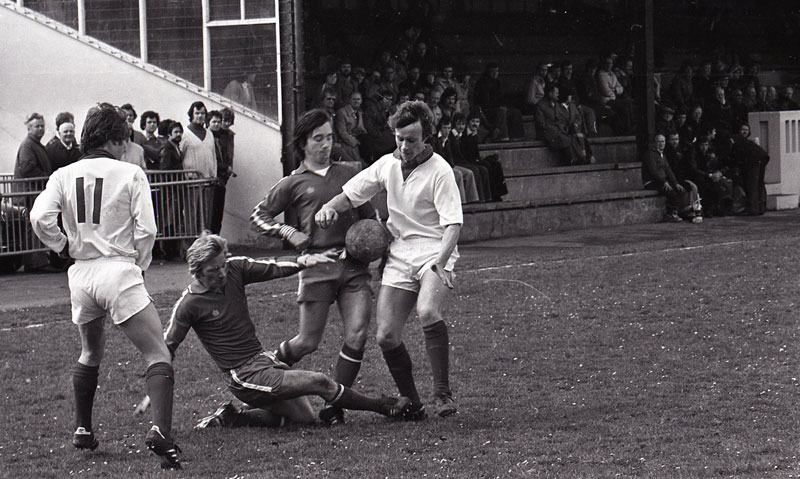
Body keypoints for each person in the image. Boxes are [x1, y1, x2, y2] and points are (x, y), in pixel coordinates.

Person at [29, 103, 181, 469]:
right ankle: (160, 432)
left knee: (89, 352)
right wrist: (140, 265)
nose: (126, 146)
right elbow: (147, 229)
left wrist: (62, 245)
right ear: (115, 139)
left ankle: (83, 427)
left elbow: (39, 216)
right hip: (118, 269)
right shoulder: (130, 172)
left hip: (82, 274)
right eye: (124, 139)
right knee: (158, 354)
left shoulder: (63, 174)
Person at [165, 232, 410, 429]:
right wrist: (159, 381)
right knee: (319, 381)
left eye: (222, 265)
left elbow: (272, 267)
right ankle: (384, 405)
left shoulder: (234, 269)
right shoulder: (189, 304)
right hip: (243, 376)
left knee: (304, 418)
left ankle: (232, 417)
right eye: (214, 270)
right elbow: (168, 345)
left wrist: (302, 262)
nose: (222, 273)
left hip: (264, 361)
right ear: (197, 271)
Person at [315, 100, 462, 419]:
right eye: (399, 138)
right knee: (386, 336)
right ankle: (413, 404)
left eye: (412, 140)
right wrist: (329, 208)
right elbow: (351, 194)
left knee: (427, 310)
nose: (404, 146)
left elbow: (453, 224)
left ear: (426, 136)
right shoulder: (386, 164)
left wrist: (440, 262)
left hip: (434, 250)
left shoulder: (440, 170)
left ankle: (442, 394)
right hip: (399, 252)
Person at [251, 109, 378, 425]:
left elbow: (370, 217)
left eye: (329, 137)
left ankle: (335, 406)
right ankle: (262, 371)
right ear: (303, 144)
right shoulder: (292, 182)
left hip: (353, 266)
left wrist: (374, 240)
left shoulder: (349, 173)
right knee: (307, 342)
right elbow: (258, 216)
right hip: (316, 267)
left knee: (358, 334)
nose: (325, 144)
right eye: (318, 139)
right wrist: (287, 231)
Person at [642, 133, 685, 222]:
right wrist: (664, 182)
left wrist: (675, 182)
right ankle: (670, 214)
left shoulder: (662, 154)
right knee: (670, 191)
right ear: (654, 143)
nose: (661, 144)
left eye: (663, 141)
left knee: (679, 189)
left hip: (662, 181)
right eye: (659, 142)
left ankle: (678, 212)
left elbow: (668, 170)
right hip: (651, 181)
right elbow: (653, 171)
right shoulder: (650, 154)